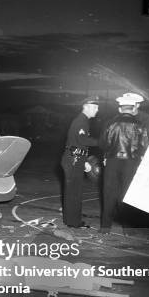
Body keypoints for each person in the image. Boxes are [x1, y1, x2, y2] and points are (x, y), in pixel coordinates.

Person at [99, 92, 149, 234]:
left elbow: (103, 144)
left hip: (112, 162)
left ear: (120, 109)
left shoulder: (110, 123)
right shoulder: (140, 125)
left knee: (109, 194)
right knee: (127, 195)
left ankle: (105, 228)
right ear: (133, 109)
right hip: (131, 163)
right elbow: (144, 145)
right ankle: (128, 229)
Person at [60, 96, 100, 228]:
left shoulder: (83, 121)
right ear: (86, 107)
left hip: (75, 158)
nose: (97, 110)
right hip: (73, 160)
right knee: (74, 192)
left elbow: (78, 144)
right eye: (95, 107)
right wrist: (101, 142)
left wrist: (84, 161)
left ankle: (71, 220)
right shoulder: (81, 121)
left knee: (74, 192)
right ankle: (73, 222)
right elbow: (82, 141)